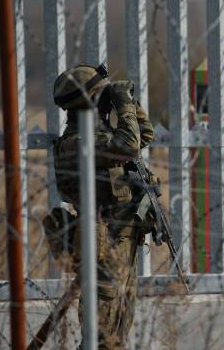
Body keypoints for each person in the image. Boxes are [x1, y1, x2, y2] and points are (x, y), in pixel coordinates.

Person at [50, 64, 154, 350]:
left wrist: (130, 104)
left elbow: (144, 135)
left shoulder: (99, 137)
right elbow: (131, 145)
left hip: (120, 240)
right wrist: (121, 103)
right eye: (103, 97)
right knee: (102, 336)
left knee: (119, 333)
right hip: (103, 244)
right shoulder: (79, 142)